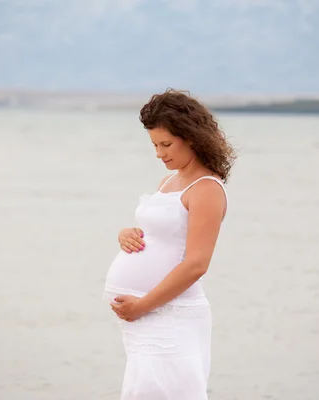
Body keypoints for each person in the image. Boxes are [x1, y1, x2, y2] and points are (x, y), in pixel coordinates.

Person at [103, 88, 236, 399]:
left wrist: (142, 306)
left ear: (190, 137)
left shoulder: (207, 188)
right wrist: (128, 234)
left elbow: (196, 263)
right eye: (154, 145)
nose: (159, 153)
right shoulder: (170, 181)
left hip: (170, 317)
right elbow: (162, 234)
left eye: (166, 144)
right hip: (146, 320)